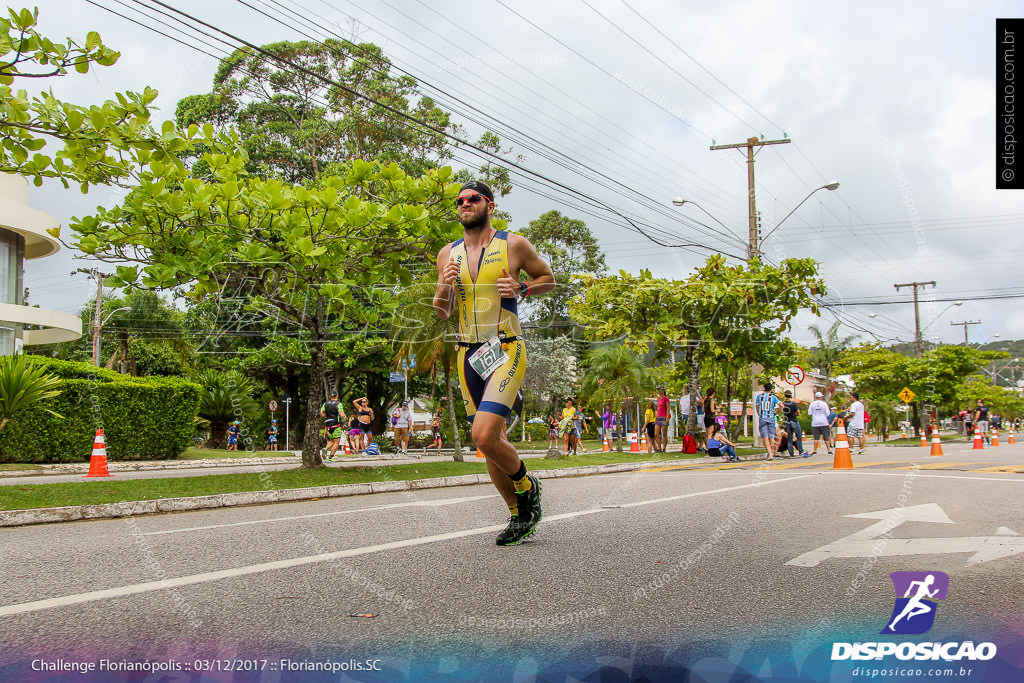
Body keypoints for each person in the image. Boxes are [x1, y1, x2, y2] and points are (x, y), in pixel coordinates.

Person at [432, 180, 555, 546]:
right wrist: (442, 285)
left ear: (489, 205)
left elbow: (548, 278)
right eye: (460, 201)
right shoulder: (447, 254)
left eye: (472, 199)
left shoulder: (513, 245)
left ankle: (526, 485)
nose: (465, 205)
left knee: (483, 434)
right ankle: (519, 515)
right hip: (466, 354)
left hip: (504, 347)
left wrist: (523, 289)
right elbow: (442, 312)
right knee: (490, 442)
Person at [755, 383, 782, 461]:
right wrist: (776, 412)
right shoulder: (773, 397)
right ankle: (772, 453)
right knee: (772, 437)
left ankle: (769, 453)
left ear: (764, 388)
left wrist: (759, 414)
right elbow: (781, 405)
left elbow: (757, 407)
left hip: (762, 417)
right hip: (771, 417)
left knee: (765, 437)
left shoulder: (759, 397)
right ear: (771, 389)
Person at [782, 390, 811, 458]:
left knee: (789, 438)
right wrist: (796, 414)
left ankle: (791, 454)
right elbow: (798, 413)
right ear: (791, 395)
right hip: (794, 421)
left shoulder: (783, 404)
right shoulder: (793, 404)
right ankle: (801, 451)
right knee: (799, 436)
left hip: (787, 422)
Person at [321, 390, 345, 461]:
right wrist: (344, 416)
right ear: (337, 396)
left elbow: (321, 413)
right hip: (335, 425)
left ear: (330, 396)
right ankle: (330, 457)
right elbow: (341, 414)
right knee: (337, 442)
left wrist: (326, 416)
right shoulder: (339, 404)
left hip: (328, 425)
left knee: (332, 440)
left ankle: (325, 449)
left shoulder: (325, 404)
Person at [808, 392, 831, 456]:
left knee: (816, 438)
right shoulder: (824, 404)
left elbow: (809, 413)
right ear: (821, 397)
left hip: (815, 422)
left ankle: (815, 450)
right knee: (826, 437)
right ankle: (829, 450)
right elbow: (828, 413)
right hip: (824, 422)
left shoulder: (812, 404)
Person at [655, 386, 670, 453]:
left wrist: (667, 417)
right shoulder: (658, 399)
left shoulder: (665, 398)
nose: (659, 392)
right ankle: (659, 448)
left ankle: (664, 448)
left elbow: (668, 408)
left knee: (664, 433)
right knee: (656, 434)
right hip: (658, 418)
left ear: (663, 391)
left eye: (661, 390)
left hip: (664, 417)